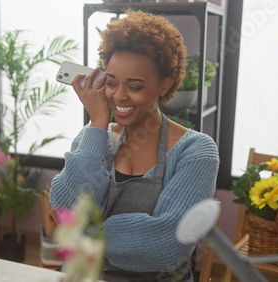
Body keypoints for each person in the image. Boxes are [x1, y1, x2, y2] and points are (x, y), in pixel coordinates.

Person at [49, 9, 219, 281]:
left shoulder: (196, 150)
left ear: (164, 84)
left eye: (135, 87)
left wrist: (86, 232)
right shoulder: (93, 136)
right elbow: (67, 207)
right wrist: (98, 122)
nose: (119, 96)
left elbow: (168, 244)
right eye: (112, 83)